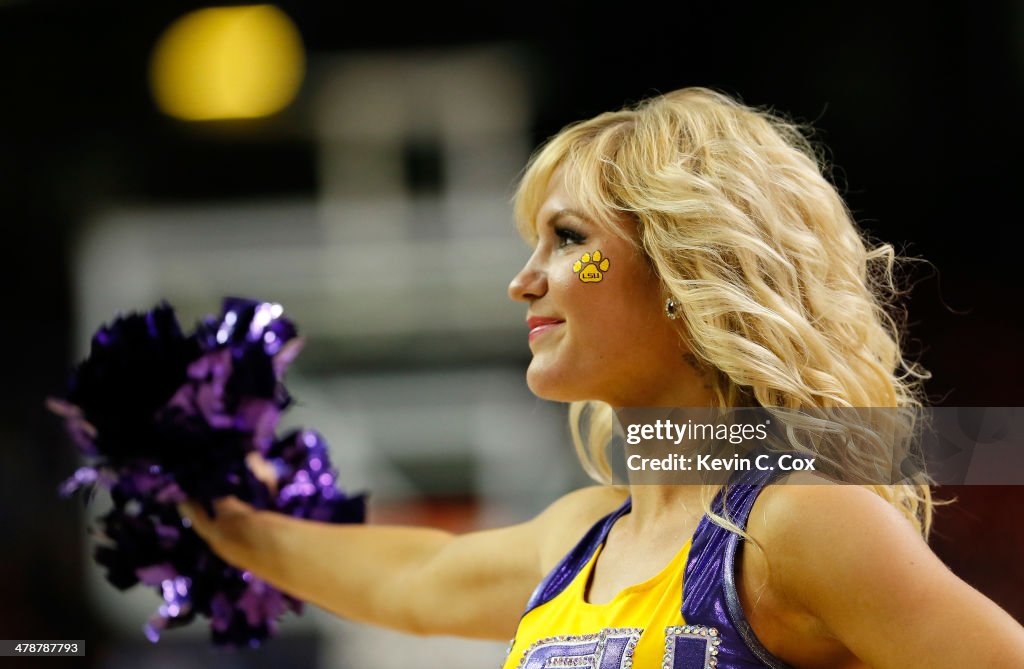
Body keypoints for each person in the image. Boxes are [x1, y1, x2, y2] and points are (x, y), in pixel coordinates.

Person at [180, 87, 1024, 668]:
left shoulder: (798, 526)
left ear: (687, 272)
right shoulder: (578, 535)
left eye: (569, 239)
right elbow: (412, 580)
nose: (524, 279)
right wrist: (225, 515)